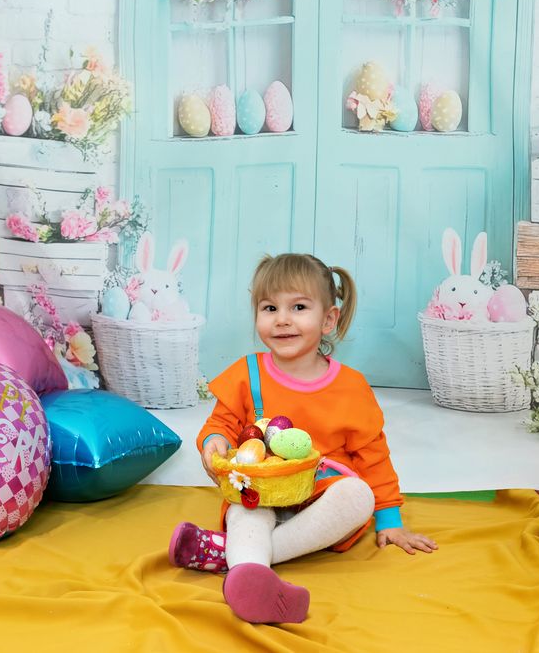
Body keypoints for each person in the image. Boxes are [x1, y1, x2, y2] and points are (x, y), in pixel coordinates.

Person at [168, 253, 437, 624]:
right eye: (269, 308)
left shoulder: (351, 387)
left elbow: (373, 456)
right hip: (262, 488)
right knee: (245, 510)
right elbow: (222, 422)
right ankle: (249, 570)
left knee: (357, 495)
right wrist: (214, 440)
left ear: (328, 320)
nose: (282, 319)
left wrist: (389, 519)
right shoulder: (247, 372)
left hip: (321, 497)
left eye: (298, 307)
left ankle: (237, 559)